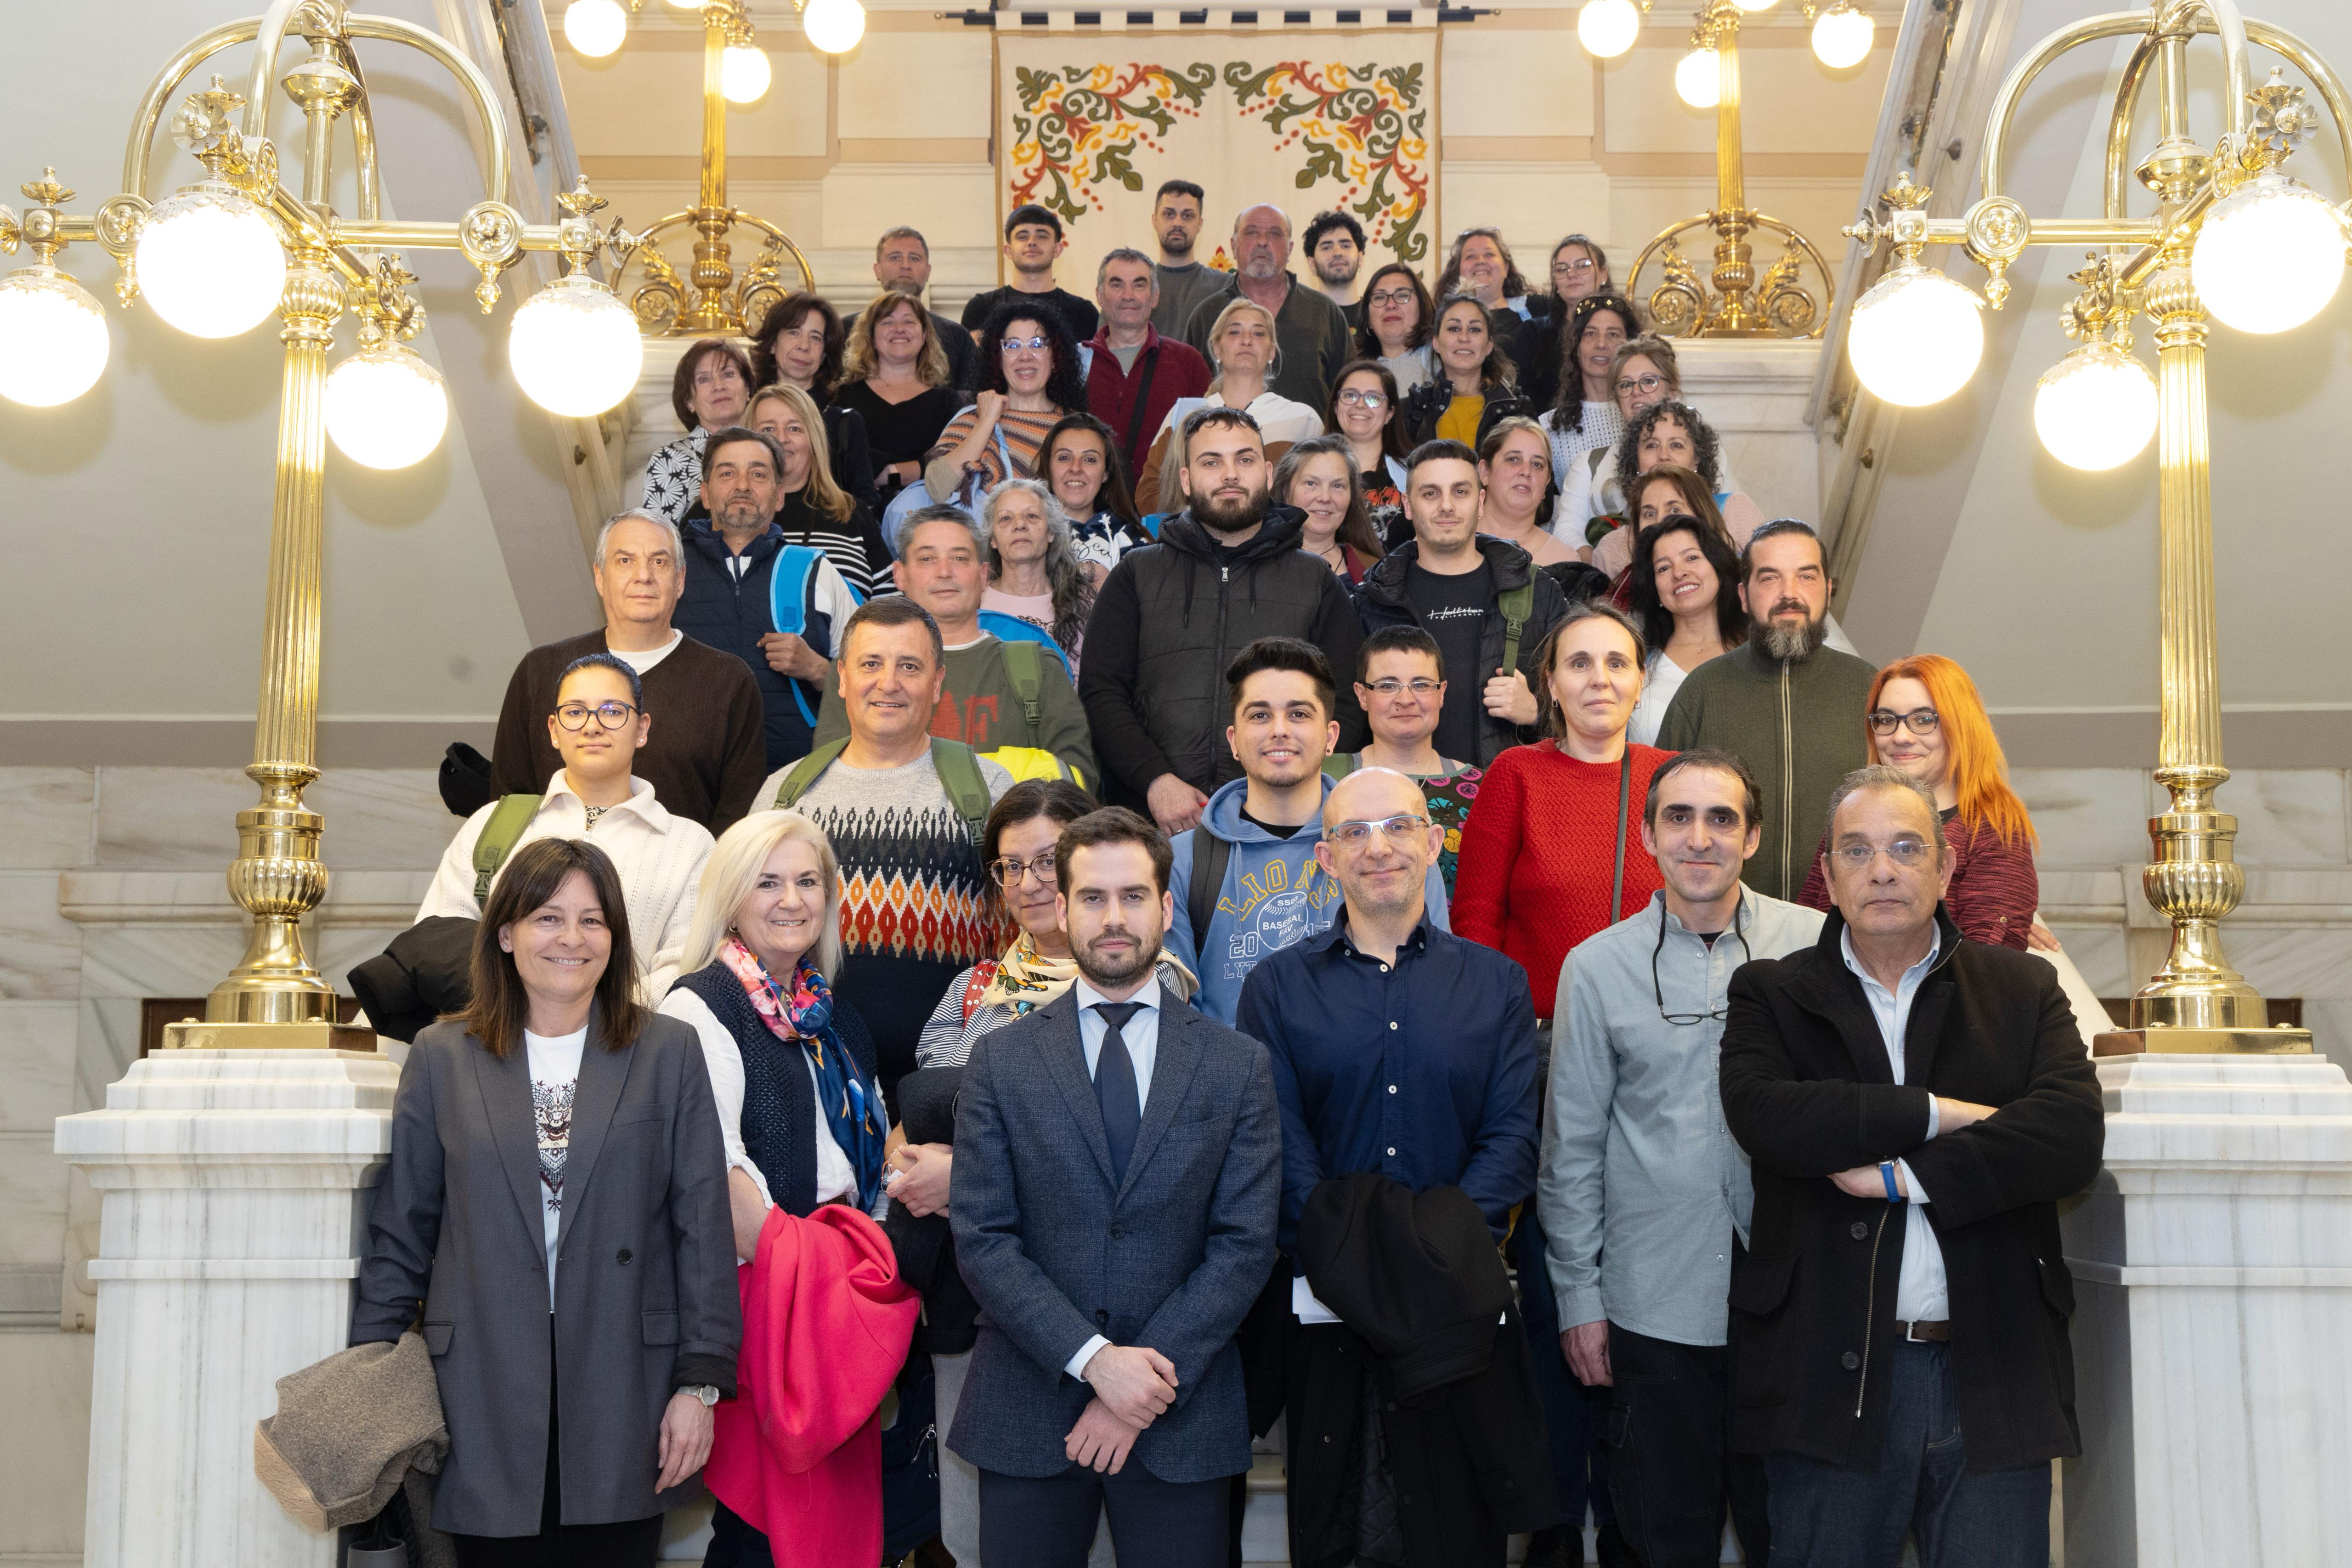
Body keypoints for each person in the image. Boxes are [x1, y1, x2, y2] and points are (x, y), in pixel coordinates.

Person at [1719, 765, 2104, 1568]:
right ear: (1828, 876)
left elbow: (2070, 1136)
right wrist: (1944, 1112)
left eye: (1905, 848)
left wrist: (1905, 1176)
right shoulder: (1771, 994)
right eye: (1857, 851)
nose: (1883, 870)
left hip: (1994, 1376)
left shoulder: (2022, 988)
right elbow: (1769, 1117)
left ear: (1946, 865)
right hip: (1824, 1385)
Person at [354, 836, 738, 1565]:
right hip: (477, 1388)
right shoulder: (441, 1056)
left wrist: (701, 1387)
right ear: (506, 933)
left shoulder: (669, 1051)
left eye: (593, 920)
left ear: (615, 938)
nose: (572, 938)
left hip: (628, 1386)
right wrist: (370, 1374)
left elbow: (703, 1231)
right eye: (548, 918)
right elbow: (402, 1232)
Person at [947, 807, 1282, 1568]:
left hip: (1180, 1411)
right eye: (1093, 897)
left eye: (1133, 896)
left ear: (1165, 907)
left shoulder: (1237, 1064)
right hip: (1029, 1405)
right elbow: (984, 1239)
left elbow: (1245, 1244)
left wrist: (1141, 1382)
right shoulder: (1002, 1060)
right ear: (1063, 908)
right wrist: (1097, 1361)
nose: (1114, 918)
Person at [1238, 763, 1551, 1568]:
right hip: (1325, 1311)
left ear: (1434, 841)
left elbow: (1512, 1141)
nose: (1378, 847)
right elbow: (1278, 1146)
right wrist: (1350, 1258)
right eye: (1354, 831)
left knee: (1456, 1532)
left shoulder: (1498, 984)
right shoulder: (1275, 989)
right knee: (1336, 1528)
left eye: (1399, 826)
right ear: (1326, 858)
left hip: (1459, 1310)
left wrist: (1430, 1256)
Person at [1540, 748, 1823, 1568]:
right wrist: (1578, 1298)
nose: (1700, 838)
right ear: (1648, 836)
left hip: (1796, 1302)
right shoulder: (1596, 966)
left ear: (1754, 837)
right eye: (1679, 817)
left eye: (1722, 818)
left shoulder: (1813, 947)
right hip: (1652, 1304)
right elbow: (1571, 1151)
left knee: (1797, 1539)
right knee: (1662, 1542)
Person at [903, 781, 1193, 1568]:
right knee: (984, 1539)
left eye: (1047, 859)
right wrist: (919, 1162)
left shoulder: (1155, 987)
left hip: (1110, 1309)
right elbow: (910, 1125)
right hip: (979, 1305)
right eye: (1011, 865)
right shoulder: (971, 989)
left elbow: (1117, 1157)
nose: (1029, 881)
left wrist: (963, 1172)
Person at [657, 810, 904, 1563]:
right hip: (761, 1298)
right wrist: (820, 1280)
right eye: (768, 882)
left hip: (838, 1297)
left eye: (808, 881)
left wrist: (863, 1274)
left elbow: (872, 1162)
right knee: (764, 1530)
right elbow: (714, 1178)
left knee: (833, 1523)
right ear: (731, 897)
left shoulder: (838, 1019)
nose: (792, 899)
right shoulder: (698, 1006)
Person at [761, 596, 1016, 1104]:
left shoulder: (988, 790)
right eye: (871, 664)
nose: (889, 682)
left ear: (937, 683)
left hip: (953, 1087)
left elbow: (1024, 942)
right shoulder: (783, 795)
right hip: (806, 1081)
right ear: (842, 677)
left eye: (909, 666)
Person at [1080, 407, 1368, 831]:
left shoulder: (1316, 580)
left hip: (1282, 825)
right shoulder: (1136, 574)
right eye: (1211, 462)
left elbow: (1346, 702)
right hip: (1153, 823)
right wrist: (1156, 782)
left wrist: (1286, 789)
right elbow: (1101, 691)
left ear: (1267, 474)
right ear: (1186, 480)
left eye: (1244, 459)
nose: (1230, 474)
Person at [1164, 636, 1447, 1025]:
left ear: (1331, 737)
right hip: (1232, 1063)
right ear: (1234, 740)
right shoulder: (1184, 861)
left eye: (1299, 714)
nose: (1279, 730)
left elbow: (1431, 985)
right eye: (1259, 715)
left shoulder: (1394, 847)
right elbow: (1176, 1011)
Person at [421, 652, 714, 999]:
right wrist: (522, 1015)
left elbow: (685, 964)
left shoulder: (690, 844)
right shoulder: (493, 823)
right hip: (498, 1028)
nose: (592, 726)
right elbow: (442, 938)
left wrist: (600, 1019)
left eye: (612, 711)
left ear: (641, 729)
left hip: (633, 1030)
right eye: (575, 712)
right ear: (554, 730)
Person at [1453, 601, 1668, 1022]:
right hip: (1540, 1033)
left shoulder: (1672, 777)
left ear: (1640, 681)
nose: (1600, 679)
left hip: (1657, 1030)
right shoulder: (1515, 773)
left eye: (1617, 663)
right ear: (1551, 683)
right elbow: (1476, 918)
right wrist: (1496, 1016)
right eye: (1580, 663)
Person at [491, 510, 768, 836]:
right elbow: (510, 802)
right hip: (554, 867)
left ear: (680, 580)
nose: (643, 576)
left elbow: (740, 817)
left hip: (687, 868)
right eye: (625, 561)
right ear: (600, 577)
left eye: (659, 562)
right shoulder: (540, 671)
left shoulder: (729, 681)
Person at [1658, 521, 1878, 901]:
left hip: (1847, 922)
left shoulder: (1869, 688)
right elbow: (1660, 816)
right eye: (1770, 578)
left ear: (1828, 591)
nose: (1789, 593)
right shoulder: (1702, 690)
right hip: (1726, 921)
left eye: (1806, 576)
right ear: (1744, 595)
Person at [811, 506, 1096, 786]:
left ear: (983, 575)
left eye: (960, 558)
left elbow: (1079, 780)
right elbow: (829, 782)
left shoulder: (1038, 667)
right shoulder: (861, 671)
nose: (945, 572)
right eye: (927, 559)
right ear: (899, 574)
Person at [1797, 655, 2044, 950]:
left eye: (1924, 720)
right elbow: (1805, 928)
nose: (1901, 737)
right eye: (1887, 720)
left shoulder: (1992, 827)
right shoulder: (1850, 816)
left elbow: (1988, 961)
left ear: (1961, 726)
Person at [1354, 437, 1568, 768]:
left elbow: (1586, 710)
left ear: (1480, 501)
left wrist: (1537, 712)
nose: (1447, 506)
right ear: (1408, 506)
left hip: (1505, 793)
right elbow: (1349, 717)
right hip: (1401, 794)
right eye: (1430, 493)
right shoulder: (1372, 600)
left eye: (1460, 492)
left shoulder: (1538, 591)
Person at [673, 423, 861, 772]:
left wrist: (818, 669)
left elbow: (872, 679)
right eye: (727, 473)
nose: (743, 485)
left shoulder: (815, 569)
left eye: (758, 474)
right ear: (705, 494)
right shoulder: (669, 570)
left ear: (779, 496)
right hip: (690, 777)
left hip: (800, 776)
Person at [1135, 294, 1323, 512]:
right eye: (1235, 332)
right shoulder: (1184, 414)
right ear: (1217, 349)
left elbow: (1319, 493)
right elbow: (1148, 494)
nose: (1247, 340)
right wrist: (1200, 522)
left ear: (1272, 351)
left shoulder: (1303, 419)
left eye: (1258, 333)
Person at [1336, 625, 1483, 896]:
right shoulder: (1327, 778)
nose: (1405, 700)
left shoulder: (1482, 788)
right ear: (1362, 695)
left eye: (1421, 685)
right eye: (1387, 686)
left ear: (1441, 693)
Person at [1181, 203, 1354, 415]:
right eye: (1252, 233)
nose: (1262, 242)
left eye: (1274, 234)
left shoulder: (1324, 312)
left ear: (1290, 249)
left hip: (1311, 436)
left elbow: (1350, 392)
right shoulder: (1206, 315)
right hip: (1225, 436)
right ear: (1234, 246)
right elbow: (1190, 400)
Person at [924, 300, 1087, 502]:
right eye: (1013, 345)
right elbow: (938, 490)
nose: (1025, 357)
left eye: (1037, 345)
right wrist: (986, 422)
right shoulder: (972, 420)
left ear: (1056, 358)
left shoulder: (1078, 426)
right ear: (998, 359)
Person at [1587, 400, 1766, 576]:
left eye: (1676, 445)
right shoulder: (1612, 549)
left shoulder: (1734, 511)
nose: (1664, 456)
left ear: (1697, 459)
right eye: (1651, 445)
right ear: (1635, 461)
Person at [746, 384, 892, 598]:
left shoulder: (852, 512)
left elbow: (891, 600)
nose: (782, 438)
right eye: (768, 430)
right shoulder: (721, 512)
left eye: (795, 428)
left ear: (814, 439)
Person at [1084, 247, 1212, 477]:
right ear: (1100, 295)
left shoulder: (1188, 363)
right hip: (1091, 498)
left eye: (1139, 285)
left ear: (1155, 296)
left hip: (1163, 499)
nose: (1128, 295)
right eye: (1117, 285)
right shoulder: (1077, 362)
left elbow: (1207, 442)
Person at [1625, 512, 1747, 747]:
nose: (1679, 573)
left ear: (1718, 567)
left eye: (1692, 558)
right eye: (1663, 568)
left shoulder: (1758, 652)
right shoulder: (1635, 662)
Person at [749, 292, 879, 509]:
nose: (804, 346)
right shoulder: (749, 413)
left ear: (824, 355)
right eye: (794, 332)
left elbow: (865, 503)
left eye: (816, 338)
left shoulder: (845, 423)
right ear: (772, 344)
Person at [835, 290, 962, 504]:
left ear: (924, 336)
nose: (899, 329)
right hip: (856, 513)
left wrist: (887, 473)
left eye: (909, 321)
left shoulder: (947, 403)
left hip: (927, 513)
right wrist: (914, 469)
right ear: (872, 337)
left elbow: (952, 465)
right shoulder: (842, 398)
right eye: (888, 322)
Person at [982, 477, 1097, 666]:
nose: (1020, 525)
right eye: (1006, 518)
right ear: (993, 539)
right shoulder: (975, 600)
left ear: (1051, 533)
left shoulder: (1083, 600)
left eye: (1032, 516)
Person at [642, 338, 755, 524]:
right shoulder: (670, 460)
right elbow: (658, 536)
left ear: (748, 389)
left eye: (728, 374)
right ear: (689, 401)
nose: (719, 386)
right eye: (704, 379)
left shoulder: (768, 451)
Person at [1400, 295, 1534, 449]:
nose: (1464, 338)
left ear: (1489, 345)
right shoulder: (1411, 410)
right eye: (1454, 329)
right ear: (1436, 342)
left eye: (1475, 330)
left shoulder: (1518, 409)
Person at [1538, 292, 1640, 493]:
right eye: (1590, 334)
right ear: (1576, 346)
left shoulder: (1642, 416)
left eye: (1613, 335)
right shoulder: (1549, 426)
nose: (1601, 344)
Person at [961, 203, 1101, 342]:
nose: (1032, 242)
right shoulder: (981, 308)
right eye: (1022, 237)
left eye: (1042, 236)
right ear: (1008, 251)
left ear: (1057, 250)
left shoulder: (1083, 313)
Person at [1475, 415, 1588, 586]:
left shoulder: (1565, 561)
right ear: (1485, 471)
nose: (1526, 472)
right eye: (1513, 459)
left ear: (1547, 481)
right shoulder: (1447, 540)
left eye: (1537, 464)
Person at [862, 224, 977, 391]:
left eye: (915, 258)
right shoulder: (847, 330)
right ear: (877, 270)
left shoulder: (957, 337)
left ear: (928, 271)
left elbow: (970, 400)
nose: (905, 265)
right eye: (895, 258)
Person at [1039, 412, 1152, 577]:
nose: (1076, 468)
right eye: (1064, 458)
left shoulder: (1130, 538)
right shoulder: (1027, 530)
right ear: (1048, 467)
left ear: (1106, 473)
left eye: (1090, 460)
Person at [1516, 235, 1616, 410]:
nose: (1571, 274)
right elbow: (1525, 397)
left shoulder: (1623, 328)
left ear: (1603, 274)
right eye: (1562, 269)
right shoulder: (1534, 333)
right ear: (1555, 282)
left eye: (1582, 266)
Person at [1273, 434, 1386, 583]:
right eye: (1311, 483)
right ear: (1286, 491)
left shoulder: (1376, 571)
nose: (1325, 498)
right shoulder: (1258, 565)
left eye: (1337, 486)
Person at [1327, 357, 1413, 545]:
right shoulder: (1311, 471)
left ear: (1390, 413)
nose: (1360, 404)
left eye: (1373, 398)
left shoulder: (1413, 473)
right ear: (1336, 407)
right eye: (1350, 395)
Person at [1148, 178, 1227, 339]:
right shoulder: (1135, 286)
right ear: (1155, 221)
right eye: (1169, 214)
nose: (1178, 223)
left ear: (1200, 224)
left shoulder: (1225, 287)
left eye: (1188, 216)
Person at [1353, 261, 1435, 396]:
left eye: (1402, 295)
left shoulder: (1443, 361)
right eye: (1380, 297)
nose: (1391, 305)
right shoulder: (1354, 374)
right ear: (1368, 318)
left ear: (1422, 307)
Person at [1435, 225, 1538, 320]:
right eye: (1471, 256)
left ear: (1506, 268)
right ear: (1458, 271)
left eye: (1489, 254)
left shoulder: (1537, 309)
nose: (1481, 261)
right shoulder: (1441, 319)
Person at [1301, 208, 1366, 314]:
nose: (1337, 253)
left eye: (1346, 246)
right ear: (1312, 264)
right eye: (1327, 248)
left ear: (1360, 259)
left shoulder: (1377, 316)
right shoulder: (1299, 318)